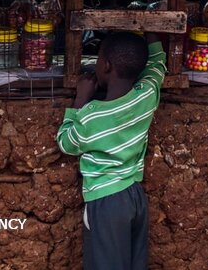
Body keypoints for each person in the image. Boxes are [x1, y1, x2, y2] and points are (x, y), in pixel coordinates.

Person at [56, 32, 166, 270]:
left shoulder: (91, 116)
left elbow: (66, 142)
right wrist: (152, 32)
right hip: (135, 197)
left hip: (106, 202)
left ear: (105, 65)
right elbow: (157, 66)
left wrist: (79, 100)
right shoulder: (146, 95)